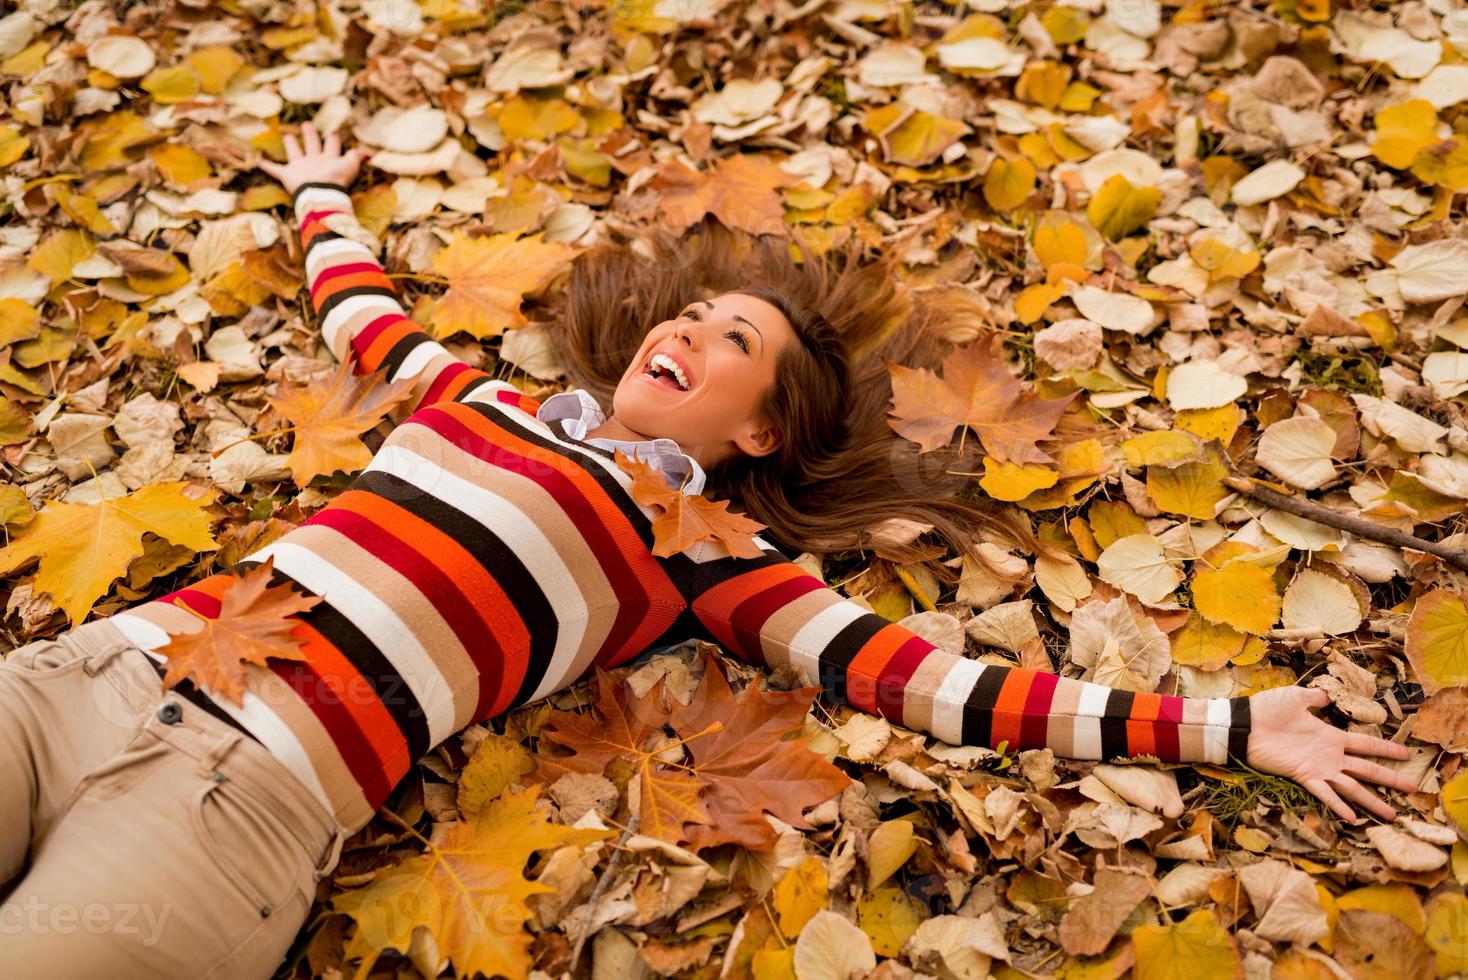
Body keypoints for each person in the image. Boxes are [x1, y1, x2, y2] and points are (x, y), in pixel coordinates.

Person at [0, 123, 1416, 977]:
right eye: (690, 319)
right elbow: (359, 312)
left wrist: (1236, 727)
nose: (684, 335)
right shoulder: (478, 396)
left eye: (733, 343)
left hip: (234, 806)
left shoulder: (706, 551)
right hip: (94, 678)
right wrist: (318, 194)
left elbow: (933, 684)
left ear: (758, 431)